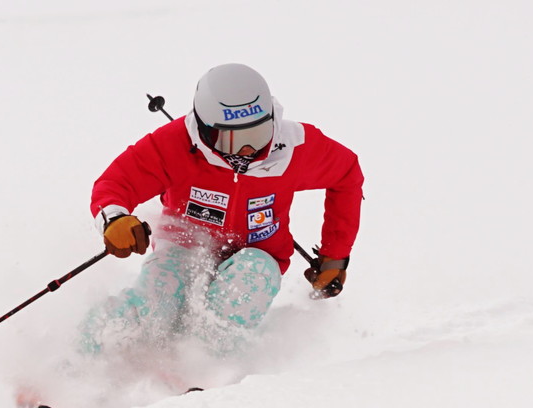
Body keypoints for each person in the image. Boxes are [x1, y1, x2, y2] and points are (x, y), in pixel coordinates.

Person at [79, 62, 364, 360]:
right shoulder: (175, 144)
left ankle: (196, 370)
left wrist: (335, 255)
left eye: (258, 133)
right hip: (183, 248)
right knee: (155, 304)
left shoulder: (294, 147)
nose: (247, 151)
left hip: (259, 257)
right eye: (232, 138)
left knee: (250, 278)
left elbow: (347, 175)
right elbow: (116, 182)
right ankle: (71, 365)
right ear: (205, 129)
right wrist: (114, 218)